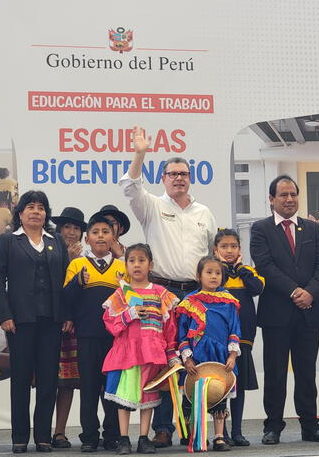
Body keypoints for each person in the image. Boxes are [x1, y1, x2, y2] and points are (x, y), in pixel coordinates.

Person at [119, 126, 216, 447]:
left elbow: (213, 257)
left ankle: (195, 426)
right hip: (163, 293)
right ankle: (163, 428)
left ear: (191, 178)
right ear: (162, 178)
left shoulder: (204, 213)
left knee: (197, 359)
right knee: (165, 361)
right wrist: (141, 152)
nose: (178, 178)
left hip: (198, 295)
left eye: (183, 173)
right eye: (172, 173)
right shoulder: (152, 207)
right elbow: (130, 186)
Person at [250, 174, 319, 444]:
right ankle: (272, 426)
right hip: (277, 312)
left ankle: (311, 426)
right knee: (275, 373)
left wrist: (310, 292)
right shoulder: (260, 229)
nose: (289, 199)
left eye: (293, 194)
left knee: (307, 372)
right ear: (271, 199)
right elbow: (265, 266)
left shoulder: (311, 229)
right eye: (283, 195)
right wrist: (295, 291)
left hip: (309, 311)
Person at [0, 191, 69, 453]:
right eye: (30, 207)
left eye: (41, 207)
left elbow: (65, 282)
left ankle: (44, 436)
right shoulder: (8, 241)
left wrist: (66, 314)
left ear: (46, 213)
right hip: (19, 321)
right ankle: (20, 437)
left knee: (48, 380)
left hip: (52, 320)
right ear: (20, 212)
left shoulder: (56, 241)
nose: (36, 211)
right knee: (21, 380)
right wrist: (5, 315)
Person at [102, 244, 180, 455]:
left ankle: (144, 437)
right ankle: (124, 438)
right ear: (126, 265)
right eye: (132, 260)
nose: (137, 265)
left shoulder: (161, 293)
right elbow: (110, 322)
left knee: (149, 395)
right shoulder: (121, 294)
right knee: (125, 394)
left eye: (141, 260)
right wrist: (130, 314)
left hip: (152, 353)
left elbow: (169, 327)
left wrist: (171, 353)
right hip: (128, 352)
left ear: (150, 265)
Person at [63, 214, 125, 452]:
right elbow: (66, 298)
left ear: (113, 238)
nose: (101, 236)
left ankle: (112, 435)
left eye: (105, 232)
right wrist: (78, 281)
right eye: (96, 232)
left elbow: (129, 300)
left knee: (112, 388)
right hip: (86, 335)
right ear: (87, 239)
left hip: (115, 338)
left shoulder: (122, 267)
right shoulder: (77, 265)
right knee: (88, 387)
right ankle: (89, 436)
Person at [176, 256, 241, 452]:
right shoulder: (189, 302)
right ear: (199, 276)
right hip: (198, 357)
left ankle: (219, 436)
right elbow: (182, 333)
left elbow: (234, 330)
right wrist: (187, 358)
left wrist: (231, 356)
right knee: (195, 394)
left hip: (220, 356)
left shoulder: (229, 302)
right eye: (209, 272)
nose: (213, 277)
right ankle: (197, 435)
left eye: (218, 273)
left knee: (219, 394)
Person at [213, 229, 264, 446]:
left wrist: (241, 268)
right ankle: (220, 431)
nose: (229, 250)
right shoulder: (214, 273)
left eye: (233, 246)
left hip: (243, 339)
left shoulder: (249, 272)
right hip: (218, 339)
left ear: (240, 250)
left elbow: (256, 288)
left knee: (238, 385)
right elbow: (215, 286)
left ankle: (237, 431)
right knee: (221, 387)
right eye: (224, 246)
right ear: (215, 250)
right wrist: (222, 267)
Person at [50, 207, 86, 448]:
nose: (71, 232)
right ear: (59, 229)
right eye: (67, 227)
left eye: (76, 228)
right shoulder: (48, 251)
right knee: (46, 381)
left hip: (72, 326)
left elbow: (80, 295)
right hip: (49, 322)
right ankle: (42, 431)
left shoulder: (86, 258)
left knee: (68, 381)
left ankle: (60, 431)